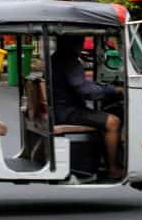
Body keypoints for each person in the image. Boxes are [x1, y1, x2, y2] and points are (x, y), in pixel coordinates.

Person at [50, 34, 124, 179]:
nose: (83, 44)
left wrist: (101, 88)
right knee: (113, 122)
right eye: (81, 40)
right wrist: (112, 90)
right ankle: (113, 168)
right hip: (68, 111)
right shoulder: (69, 61)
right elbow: (83, 88)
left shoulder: (56, 58)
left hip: (60, 108)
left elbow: (82, 85)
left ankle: (103, 160)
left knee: (102, 119)